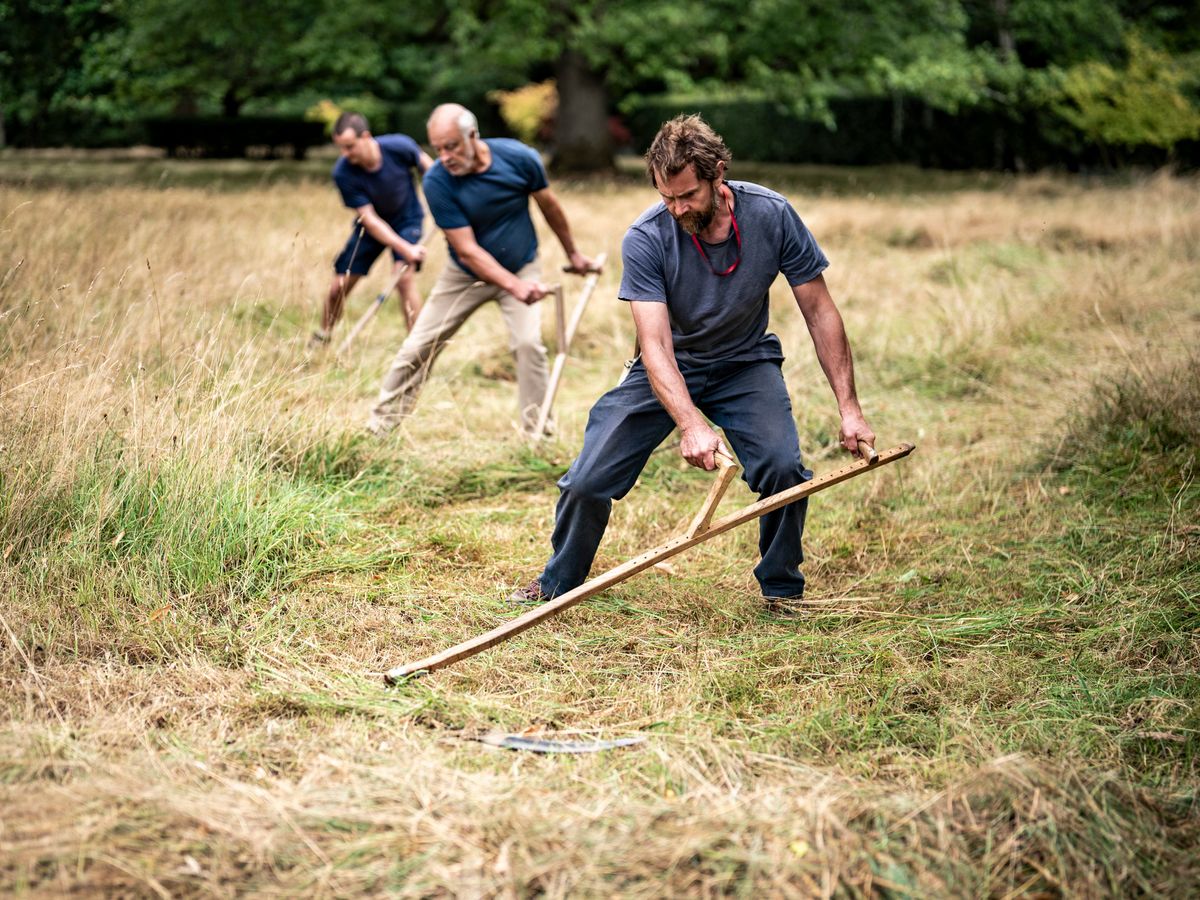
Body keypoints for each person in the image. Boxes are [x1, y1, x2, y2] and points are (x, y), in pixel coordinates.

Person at [512, 115, 875, 616]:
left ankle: (781, 589)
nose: (677, 208)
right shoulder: (646, 237)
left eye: (687, 196)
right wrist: (690, 424)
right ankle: (558, 583)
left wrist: (849, 408)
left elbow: (819, 311)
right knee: (587, 481)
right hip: (667, 366)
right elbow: (655, 344)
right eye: (667, 197)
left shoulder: (772, 214)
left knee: (784, 470)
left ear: (718, 173)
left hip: (744, 362)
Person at [366, 103, 594, 437]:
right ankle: (379, 427)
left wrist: (573, 253)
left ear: (472, 136)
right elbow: (467, 251)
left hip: (522, 265)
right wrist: (514, 286)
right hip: (464, 276)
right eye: (438, 149)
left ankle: (538, 434)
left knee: (528, 345)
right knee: (418, 346)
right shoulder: (437, 181)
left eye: (452, 146)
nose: (445, 156)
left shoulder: (519, 158)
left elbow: (549, 206)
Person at [310, 112, 433, 348]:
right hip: (370, 229)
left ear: (365, 136)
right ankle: (322, 337)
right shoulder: (343, 172)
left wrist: (448, 201)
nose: (345, 154)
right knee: (338, 287)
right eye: (341, 148)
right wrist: (406, 249)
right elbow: (370, 220)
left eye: (349, 146)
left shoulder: (400, 146)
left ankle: (417, 349)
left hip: (408, 220)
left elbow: (433, 171)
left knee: (403, 278)